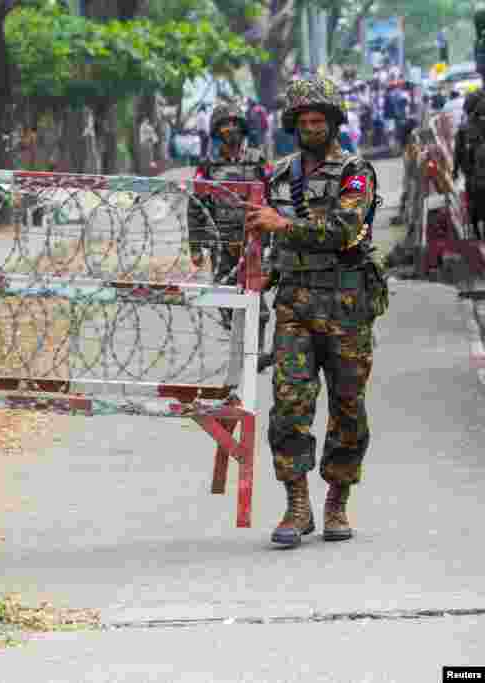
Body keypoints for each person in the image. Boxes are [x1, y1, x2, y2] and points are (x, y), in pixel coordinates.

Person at [245, 77, 389, 548]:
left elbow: (346, 229)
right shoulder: (280, 174)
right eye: (303, 122)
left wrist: (283, 224)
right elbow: (267, 238)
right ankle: (297, 503)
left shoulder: (355, 171)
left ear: (333, 123)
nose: (311, 128)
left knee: (348, 407)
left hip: (346, 306)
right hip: (294, 306)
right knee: (289, 406)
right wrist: (263, 271)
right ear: (292, 125)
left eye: (319, 121)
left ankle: (337, 501)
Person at [187, 103, 271, 353]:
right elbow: (196, 206)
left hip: (253, 239)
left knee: (256, 298)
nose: (230, 129)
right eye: (224, 125)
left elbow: (275, 198)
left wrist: (273, 239)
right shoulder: (208, 165)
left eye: (234, 124)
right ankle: (240, 347)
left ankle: (253, 353)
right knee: (226, 300)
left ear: (243, 128)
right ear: (216, 131)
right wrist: (195, 246)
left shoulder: (257, 160)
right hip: (221, 242)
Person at [455, 94, 485, 241]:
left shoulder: (464, 128)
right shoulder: (468, 127)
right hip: (474, 172)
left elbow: (458, 152)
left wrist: (455, 170)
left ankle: (476, 231)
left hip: (472, 174)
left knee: (474, 201)